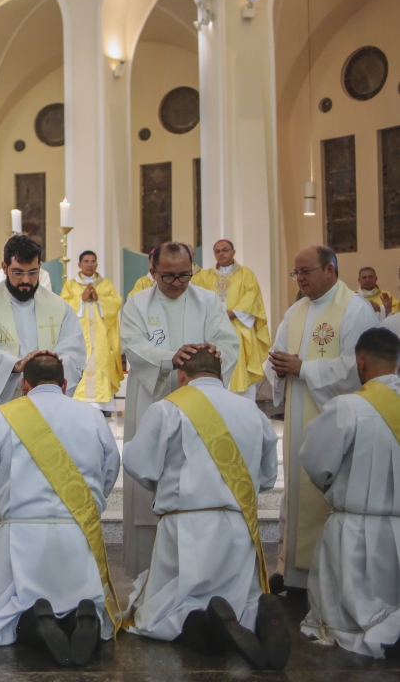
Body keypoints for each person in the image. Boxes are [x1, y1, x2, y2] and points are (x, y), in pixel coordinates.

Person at [123, 347, 287, 670]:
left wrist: (164, 486)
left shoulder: (168, 408)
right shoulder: (251, 411)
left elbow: (136, 462)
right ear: (222, 376)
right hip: (239, 530)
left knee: (166, 613)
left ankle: (209, 628)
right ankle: (256, 618)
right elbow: (268, 476)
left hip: (187, 529)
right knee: (241, 597)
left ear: (181, 376)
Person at [0, 353, 120, 666]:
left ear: (24, 385)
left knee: (12, 613)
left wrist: (0, 499)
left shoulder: (1, 416)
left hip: (20, 534)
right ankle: (82, 614)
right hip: (77, 531)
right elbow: (110, 466)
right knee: (80, 592)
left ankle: (34, 618)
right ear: (65, 384)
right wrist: (88, 502)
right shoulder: (91, 416)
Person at [0, 234, 86, 577]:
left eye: (32, 273)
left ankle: (51, 569)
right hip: (6, 406)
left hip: (50, 410)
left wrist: (49, 365)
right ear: (5, 267)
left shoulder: (58, 306)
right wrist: (18, 365)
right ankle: (1, 570)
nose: (25, 281)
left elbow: (75, 351)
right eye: (18, 273)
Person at [120, 242, 239, 577]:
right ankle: (147, 578)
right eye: (167, 276)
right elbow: (132, 344)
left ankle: (197, 575)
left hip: (201, 405)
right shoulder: (138, 303)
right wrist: (169, 359)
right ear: (152, 269)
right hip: (152, 399)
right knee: (150, 482)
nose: (176, 283)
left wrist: (207, 358)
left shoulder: (207, 301)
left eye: (184, 275)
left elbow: (229, 343)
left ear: (193, 268)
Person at [263, 246, 377, 592]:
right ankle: (292, 569)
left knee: (323, 492)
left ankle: (326, 573)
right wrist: (280, 370)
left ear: (330, 269)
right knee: (296, 491)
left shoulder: (355, 309)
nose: (300, 279)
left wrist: (304, 368)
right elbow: (275, 359)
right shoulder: (295, 311)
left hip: (336, 419)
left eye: (305, 272)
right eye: (296, 273)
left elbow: (359, 366)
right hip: (298, 416)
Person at [300, 328, 400, 658]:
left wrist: (337, 489)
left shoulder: (347, 407)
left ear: (360, 361)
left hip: (355, 533)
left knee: (346, 621)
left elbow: (317, 463)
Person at [192, 240, 271, 398]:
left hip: (238, 329)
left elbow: (251, 295)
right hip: (213, 331)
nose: (221, 253)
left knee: (240, 374)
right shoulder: (205, 276)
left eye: (225, 250)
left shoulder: (245, 274)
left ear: (233, 252)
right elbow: (195, 292)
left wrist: (232, 313)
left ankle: (244, 410)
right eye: (217, 251)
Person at [60, 250, 123, 412]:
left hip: (100, 337)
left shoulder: (105, 284)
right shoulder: (71, 285)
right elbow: (62, 306)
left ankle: (102, 405)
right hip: (79, 336)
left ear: (96, 264)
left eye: (93, 261)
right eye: (86, 261)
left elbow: (115, 303)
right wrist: (80, 299)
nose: (89, 264)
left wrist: (98, 299)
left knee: (101, 361)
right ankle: (78, 401)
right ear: (79, 264)